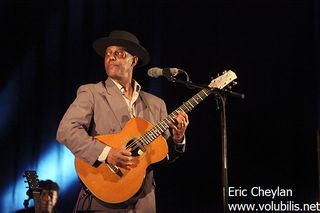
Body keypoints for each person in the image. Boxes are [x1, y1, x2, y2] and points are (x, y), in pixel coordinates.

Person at [56, 30, 189, 212]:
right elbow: (66, 130)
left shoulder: (156, 104)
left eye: (119, 53)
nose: (111, 57)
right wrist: (106, 153)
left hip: (143, 202)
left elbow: (162, 157)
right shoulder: (92, 93)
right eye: (108, 53)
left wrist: (177, 138)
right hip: (103, 198)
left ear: (133, 61)